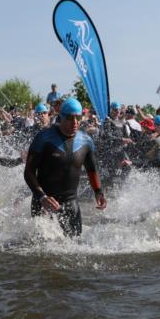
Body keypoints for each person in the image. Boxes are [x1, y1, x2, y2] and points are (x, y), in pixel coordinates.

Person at [24, 97, 106, 237]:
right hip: (45, 202)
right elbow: (29, 172)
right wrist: (42, 197)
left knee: (74, 248)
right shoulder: (44, 138)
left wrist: (98, 191)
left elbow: (92, 169)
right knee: (42, 253)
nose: (75, 122)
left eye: (78, 117)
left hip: (70, 202)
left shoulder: (86, 140)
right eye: (69, 117)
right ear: (61, 117)